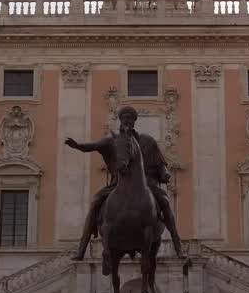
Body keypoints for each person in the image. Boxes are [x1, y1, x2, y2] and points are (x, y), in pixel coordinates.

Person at [65, 105, 183, 262]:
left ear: (135, 121)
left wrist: (165, 173)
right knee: (95, 203)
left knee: (166, 204)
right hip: (118, 184)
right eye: (124, 118)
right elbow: (93, 146)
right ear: (120, 120)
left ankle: (178, 246)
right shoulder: (113, 141)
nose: (127, 120)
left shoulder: (147, 141)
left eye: (130, 118)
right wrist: (78, 146)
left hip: (148, 184)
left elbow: (160, 163)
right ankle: (81, 249)